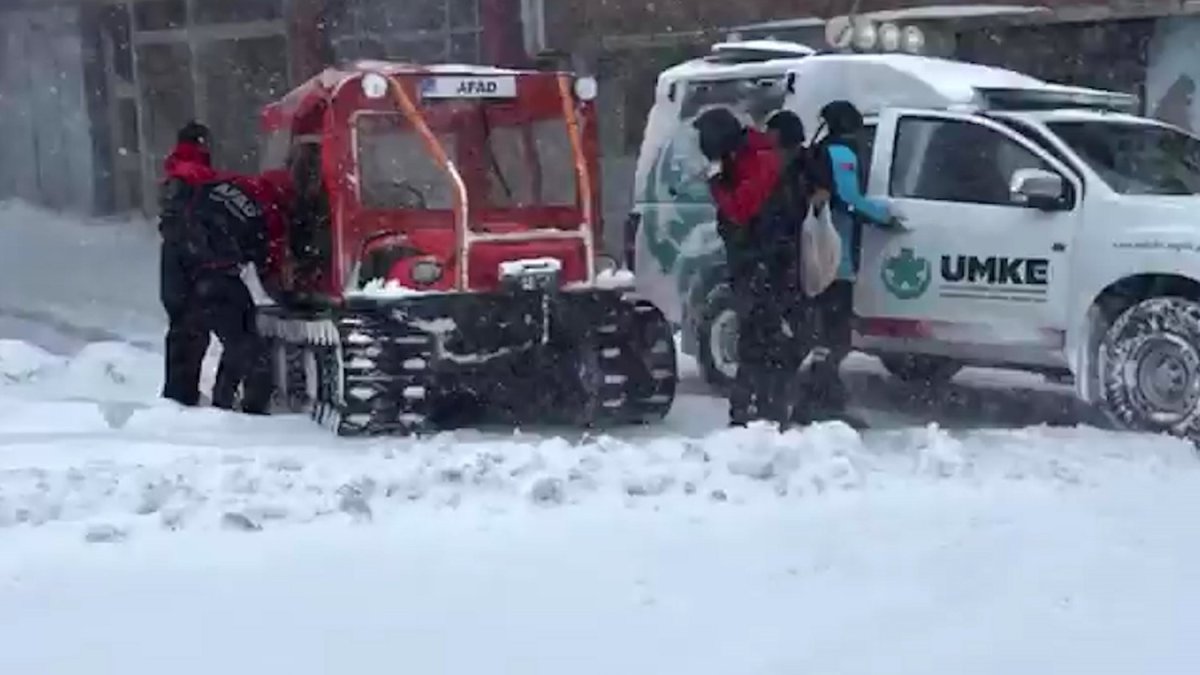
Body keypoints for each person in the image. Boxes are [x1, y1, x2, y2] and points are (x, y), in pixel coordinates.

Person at [158, 121, 290, 414]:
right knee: (247, 345)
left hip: (179, 276)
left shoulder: (173, 183)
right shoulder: (218, 187)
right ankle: (234, 409)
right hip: (215, 275)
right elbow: (256, 228)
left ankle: (178, 407)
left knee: (185, 343)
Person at [693, 107, 803, 426]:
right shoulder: (743, 158)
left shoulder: (760, 160)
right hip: (752, 263)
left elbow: (740, 209)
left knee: (763, 339)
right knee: (754, 338)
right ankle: (751, 411)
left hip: (767, 263)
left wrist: (716, 183)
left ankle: (766, 411)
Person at [804, 100, 905, 426]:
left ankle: (817, 396)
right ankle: (821, 400)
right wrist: (885, 217)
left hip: (818, 256)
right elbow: (848, 200)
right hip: (837, 257)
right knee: (835, 334)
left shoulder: (819, 150)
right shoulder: (842, 153)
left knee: (824, 331)